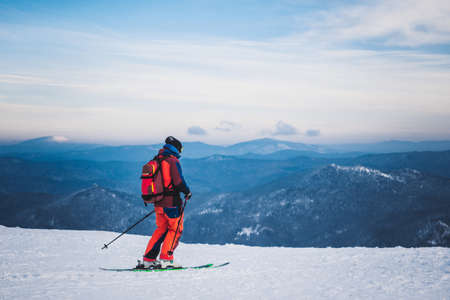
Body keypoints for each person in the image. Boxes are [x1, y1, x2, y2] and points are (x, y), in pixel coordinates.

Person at [140, 136, 191, 269]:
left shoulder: (157, 159)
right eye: (181, 149)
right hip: (172, 203)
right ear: (177, 148)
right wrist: (187, 192)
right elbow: (178, 181)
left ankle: (148, 259)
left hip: (158, 203)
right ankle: (167, 259)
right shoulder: (172, 161)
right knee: (175, 229)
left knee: (161, 229)